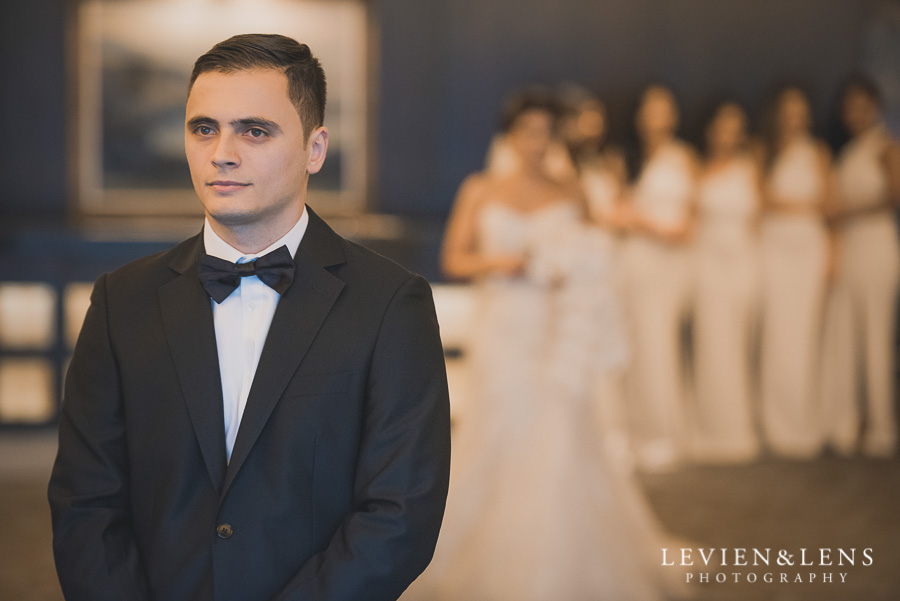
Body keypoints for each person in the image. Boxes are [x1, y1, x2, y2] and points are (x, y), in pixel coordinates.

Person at [47, 34, 451, 601]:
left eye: (254, 130)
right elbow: (85, 502)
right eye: (204, 128)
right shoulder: (122, 301)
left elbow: (400, 512)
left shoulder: (389, 303)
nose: (222, 153)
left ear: (315, 149)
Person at [404, 90, 681, 601]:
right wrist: (503, 263)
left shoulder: (572, 192)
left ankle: (556, 557)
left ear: (555, 138)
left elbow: (598, 262)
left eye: (545, 133)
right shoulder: (481, 189)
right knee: (498, 432)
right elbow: (455, 259)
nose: (536, 142)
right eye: (526, 132)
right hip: (505, 326)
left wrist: (572, 273)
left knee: (559, 434)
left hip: (555, 333)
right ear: (510, 137)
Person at [820, 75, 900, 457]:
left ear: (875, 107)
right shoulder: (848, 151)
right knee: (847, 334)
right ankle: (850, 420)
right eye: (849, 107)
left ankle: (881, 426)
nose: (855, 114)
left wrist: (846, 210)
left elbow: (894, 196)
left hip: (877, 245)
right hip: (850, 247)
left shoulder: (886, 147)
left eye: (862, 105)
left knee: (876, 336)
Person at [621, 85, 699, 472]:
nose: (656, 118)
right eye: (649, 110)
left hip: (665, 265)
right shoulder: (632, 160)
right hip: (633, 262)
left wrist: (638, 220)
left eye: (662, 109)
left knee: (658, 345)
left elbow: (686, 226)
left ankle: (661, 432)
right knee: (635, 347)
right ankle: (636, 430)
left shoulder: (682, 158)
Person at [757, 85, 832, 458]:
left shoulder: (816, 152)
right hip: (774, 249)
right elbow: (761, 200)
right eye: (788, 110)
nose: (795, 117)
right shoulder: (765, 152)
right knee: (777, 335)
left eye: (800, 110)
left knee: (804, 337)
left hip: (807, 250)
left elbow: (829, 204)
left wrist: (792, 208)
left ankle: (802, 422)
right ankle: (776, 422)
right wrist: (806, 207)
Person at [691, 102, 762, 463]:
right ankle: (712, 427)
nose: (728, 136)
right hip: (707, 265)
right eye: (723, 127)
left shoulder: (750, 169)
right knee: (712, 344)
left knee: (738, 343)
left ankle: (737, 428)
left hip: (741, 264)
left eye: (736, 128)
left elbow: (758, 221)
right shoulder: (697, 169)